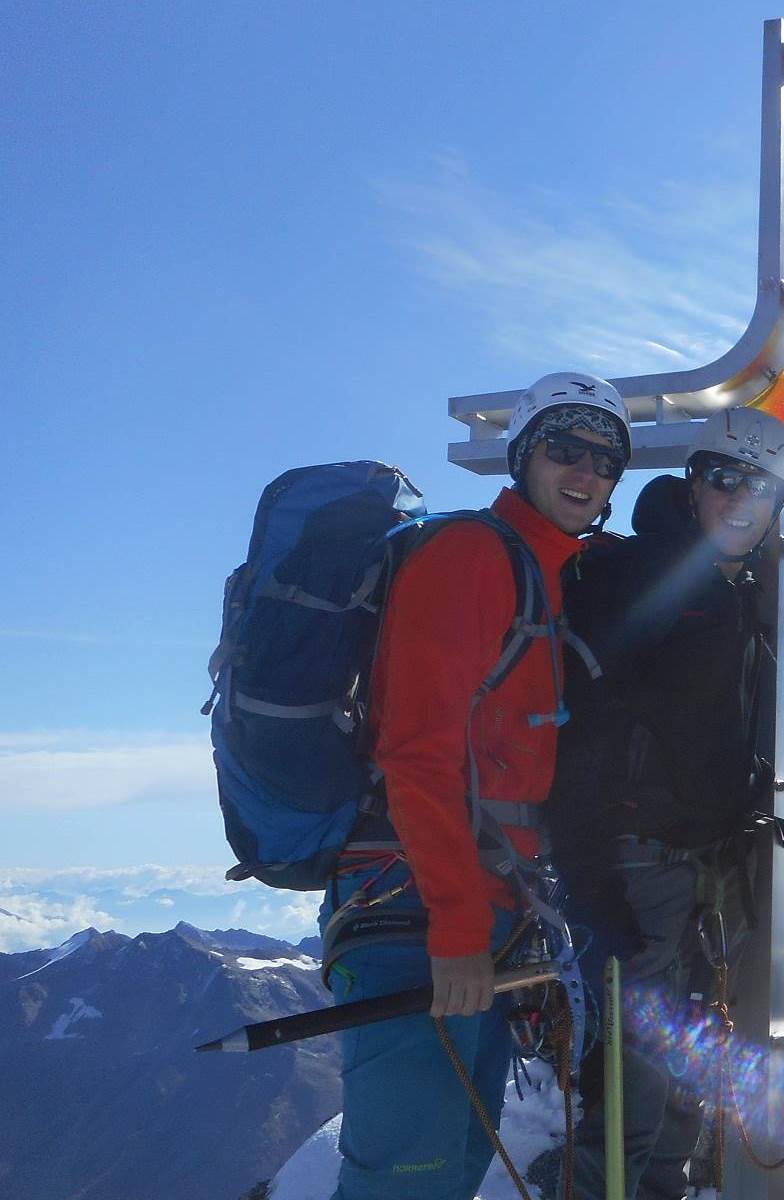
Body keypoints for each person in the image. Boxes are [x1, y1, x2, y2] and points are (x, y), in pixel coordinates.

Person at [317, 372, 630, 1200]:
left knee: (450, 1168)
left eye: (605, 461)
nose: (586, 471)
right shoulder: (470, 556)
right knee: (405, 1181)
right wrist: (457, 921)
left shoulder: (542, 571)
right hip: (417, 908)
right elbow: (416, 751)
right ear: (523, 455)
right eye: (564, 448)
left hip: (482, 908)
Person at [548, 407, 784, 1200]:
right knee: (631, 1090)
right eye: (723, 478)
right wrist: (591, 883)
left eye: (761, 487)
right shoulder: (635, 578)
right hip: (640, 869)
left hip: (713, 869)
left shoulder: (737, 590)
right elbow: (579, 734)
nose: (740, 499)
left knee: (688, 1078)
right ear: (692, 485)